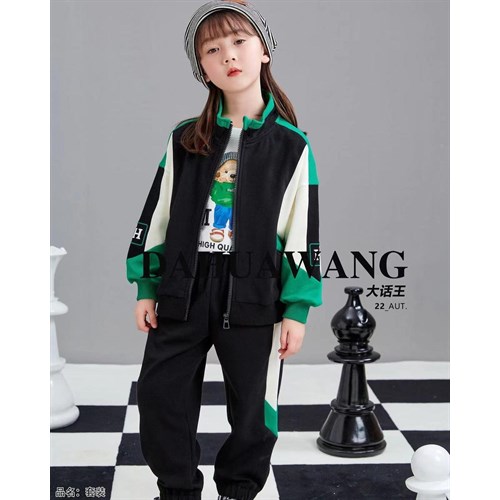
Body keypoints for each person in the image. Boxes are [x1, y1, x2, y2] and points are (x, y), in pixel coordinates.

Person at [125, 1, 323, 499]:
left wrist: (296, 309)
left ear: (264, 50)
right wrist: (147, 285)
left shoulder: (292, 146)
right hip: (183, 287)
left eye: (239, 41)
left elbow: (302, 233)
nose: (228, 55)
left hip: (255, 293)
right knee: (161, 398)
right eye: (212, 50)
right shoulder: (183, 139)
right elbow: (158, 216)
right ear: (203, 68)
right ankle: (177, 490)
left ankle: (237, 491)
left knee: (254, 411)